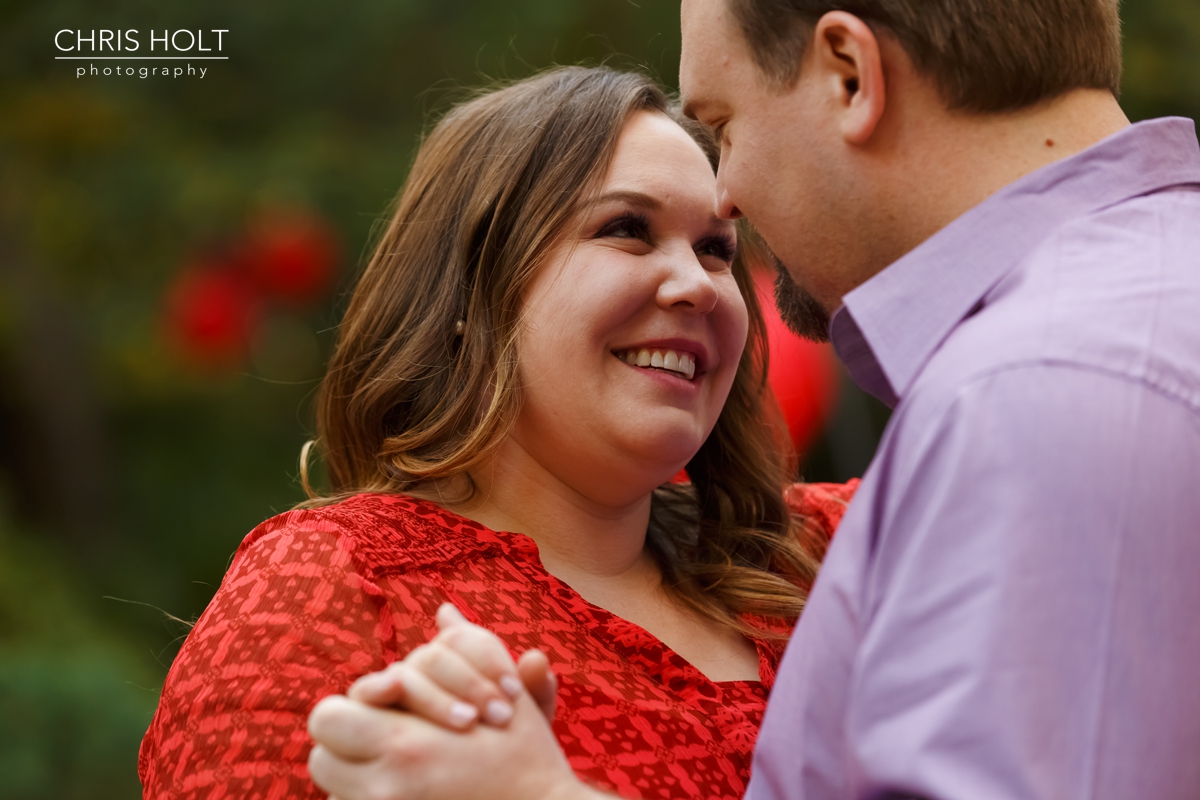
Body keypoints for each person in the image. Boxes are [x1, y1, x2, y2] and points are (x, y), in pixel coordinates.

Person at [306, 0, 1200, 798]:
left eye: (722, 127)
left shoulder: (1036, 400)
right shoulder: (338, 583)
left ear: (850, 74)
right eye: (626, 229)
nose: (725, 193)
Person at [137, 66, 857, 800]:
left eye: (716, 249)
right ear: (474, 291)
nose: (699, 284)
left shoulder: (832, 553)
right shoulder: (335, 587)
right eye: (627, 230)